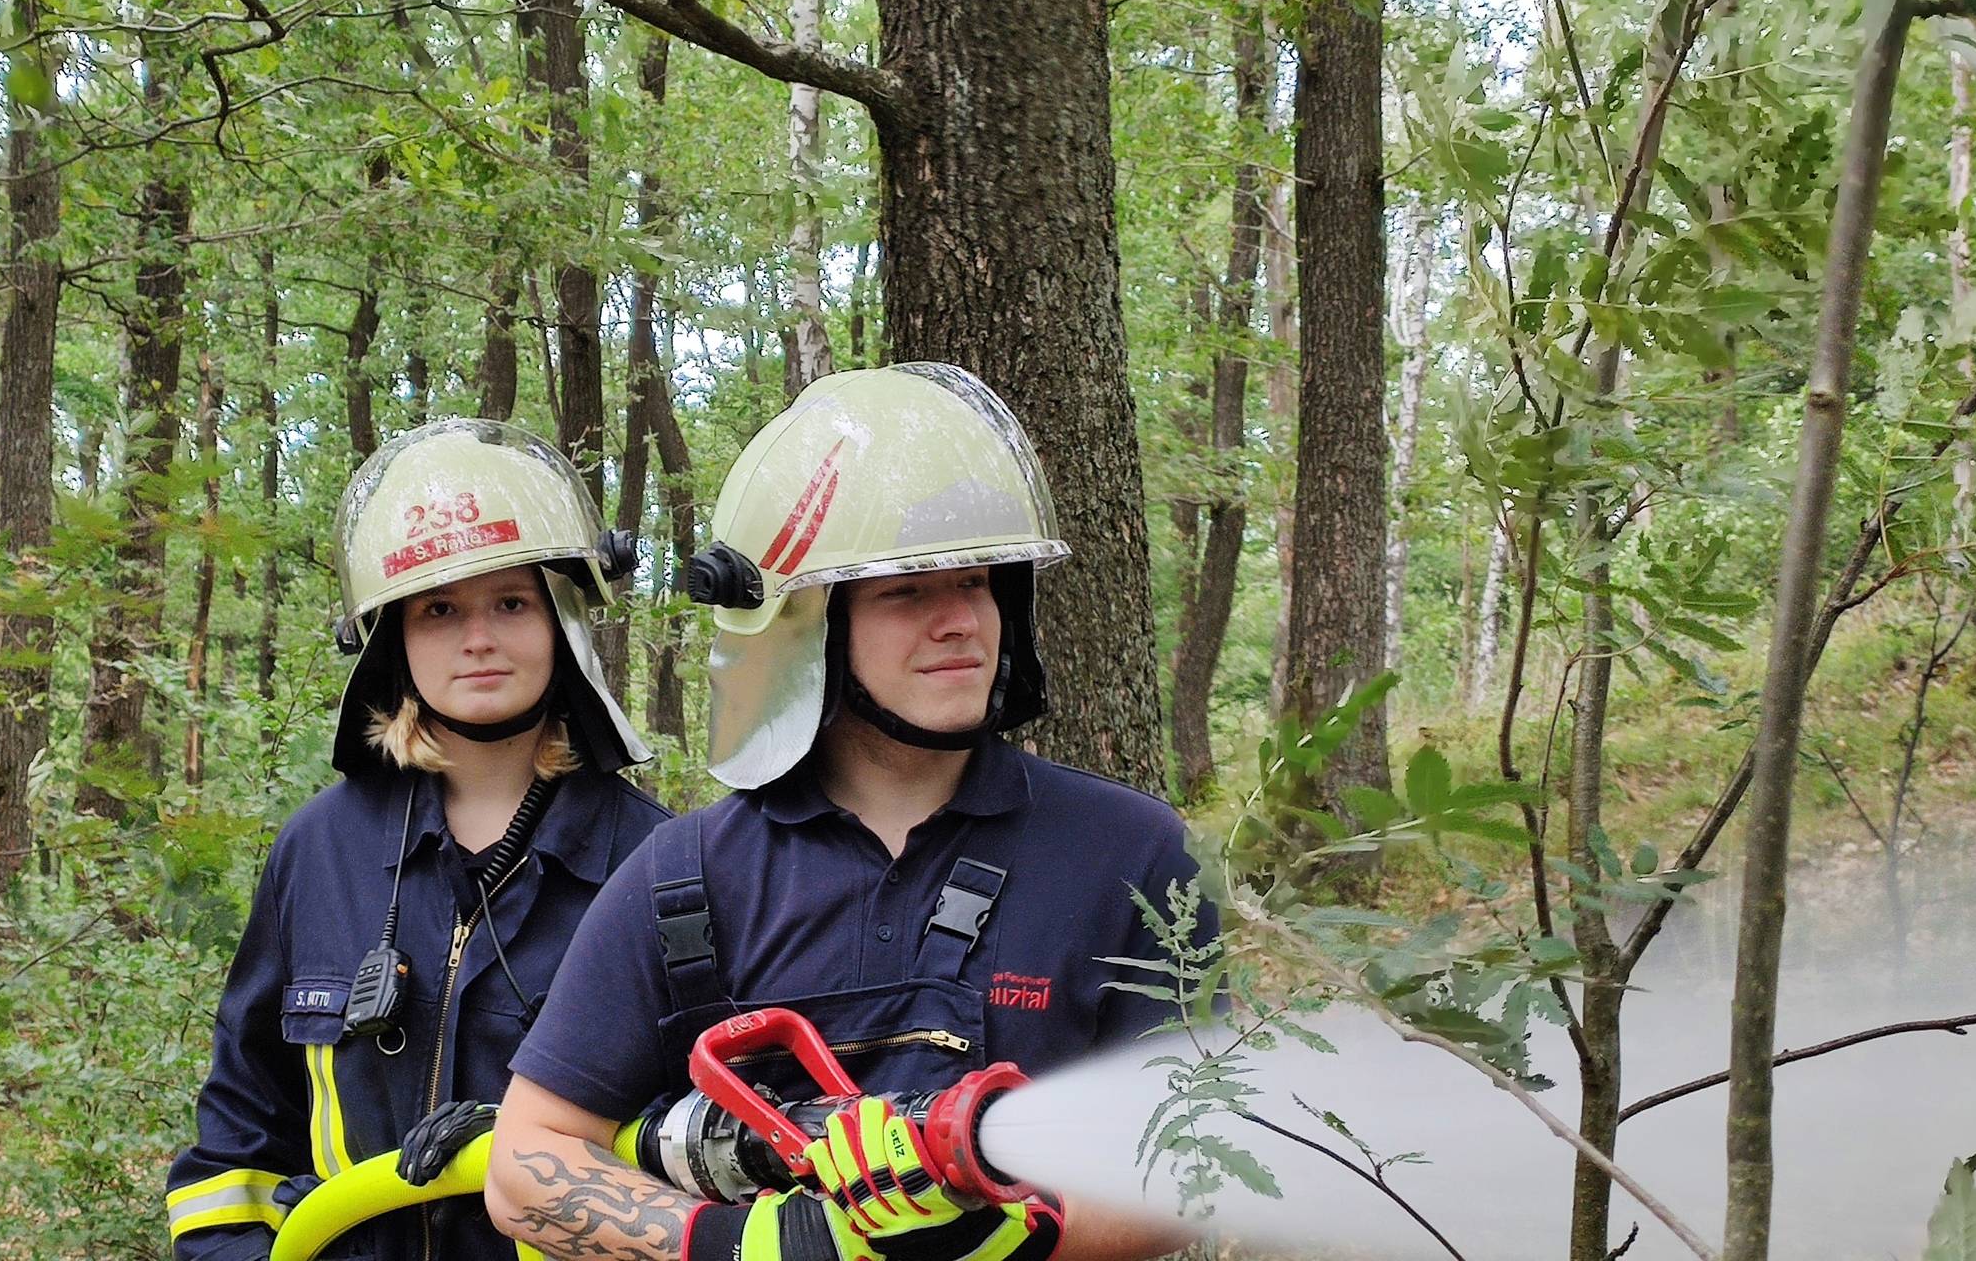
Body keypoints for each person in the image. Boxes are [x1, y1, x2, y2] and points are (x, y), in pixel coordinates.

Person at [485, 363, 1217, 1261]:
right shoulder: (684, 879)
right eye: (906, 590)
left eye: (978, 582)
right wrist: (745, 1246)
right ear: (805, 626)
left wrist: (1010, 1241)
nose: (959, 622)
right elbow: (526, 1163)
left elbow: (1200, 1159)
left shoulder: (1133, 857)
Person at [166, 418, 672, 1261]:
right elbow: (242, 1130)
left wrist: (523, 1136)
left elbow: (703, 1141)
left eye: (510, 601)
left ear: (561, 623)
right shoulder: (317, 853)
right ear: (393, 638)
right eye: (439, 609)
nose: (477, 638)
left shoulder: (656, 867)